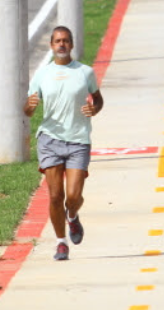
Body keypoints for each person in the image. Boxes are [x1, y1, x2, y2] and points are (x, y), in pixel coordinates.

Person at [24, 26, 104, 261]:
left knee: (73, 197)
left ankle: (72, 216)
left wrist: (94, 109)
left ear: (71, 45)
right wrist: (30, 106)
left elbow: (98, 99)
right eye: (57, 41)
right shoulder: (42, 74)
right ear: (51, 45)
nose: (61, 44)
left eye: (66, 41)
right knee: (55, 196)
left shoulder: (85, 72)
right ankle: (61, 243)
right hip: (49, 139)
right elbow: (28, 110)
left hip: (78, 140)